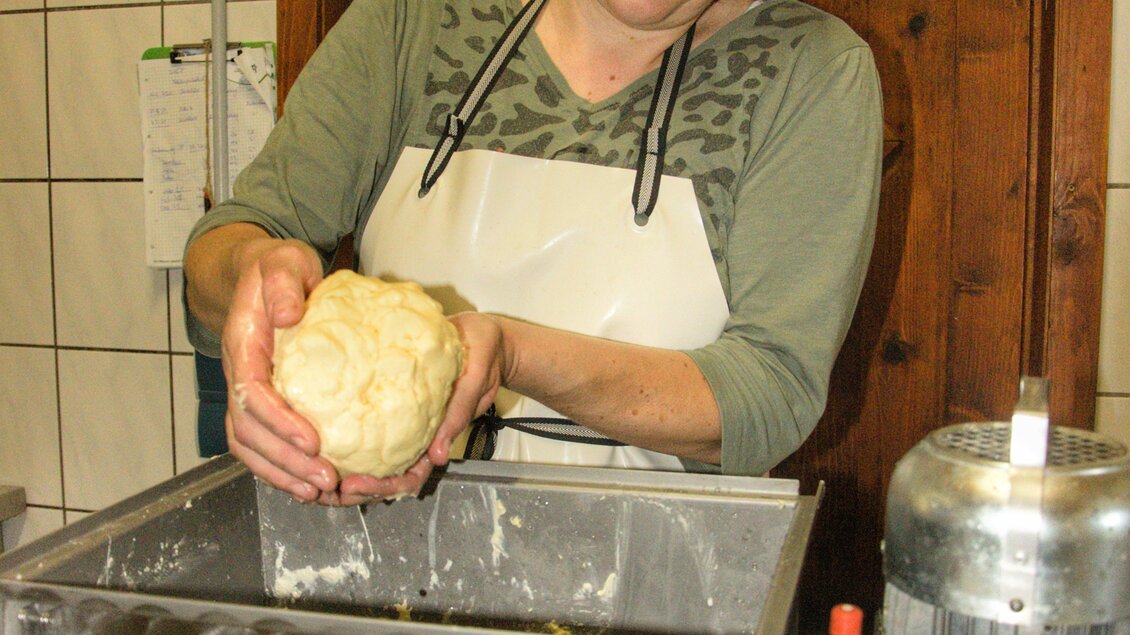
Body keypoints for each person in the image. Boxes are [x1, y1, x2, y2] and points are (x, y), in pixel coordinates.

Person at [183, 0, 883, 506]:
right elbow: (235, 239)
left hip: (656, 579)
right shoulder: (413, 23)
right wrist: (252, 278)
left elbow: (769, 392)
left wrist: (509, 355)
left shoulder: (808, 70)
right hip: (388, 559)